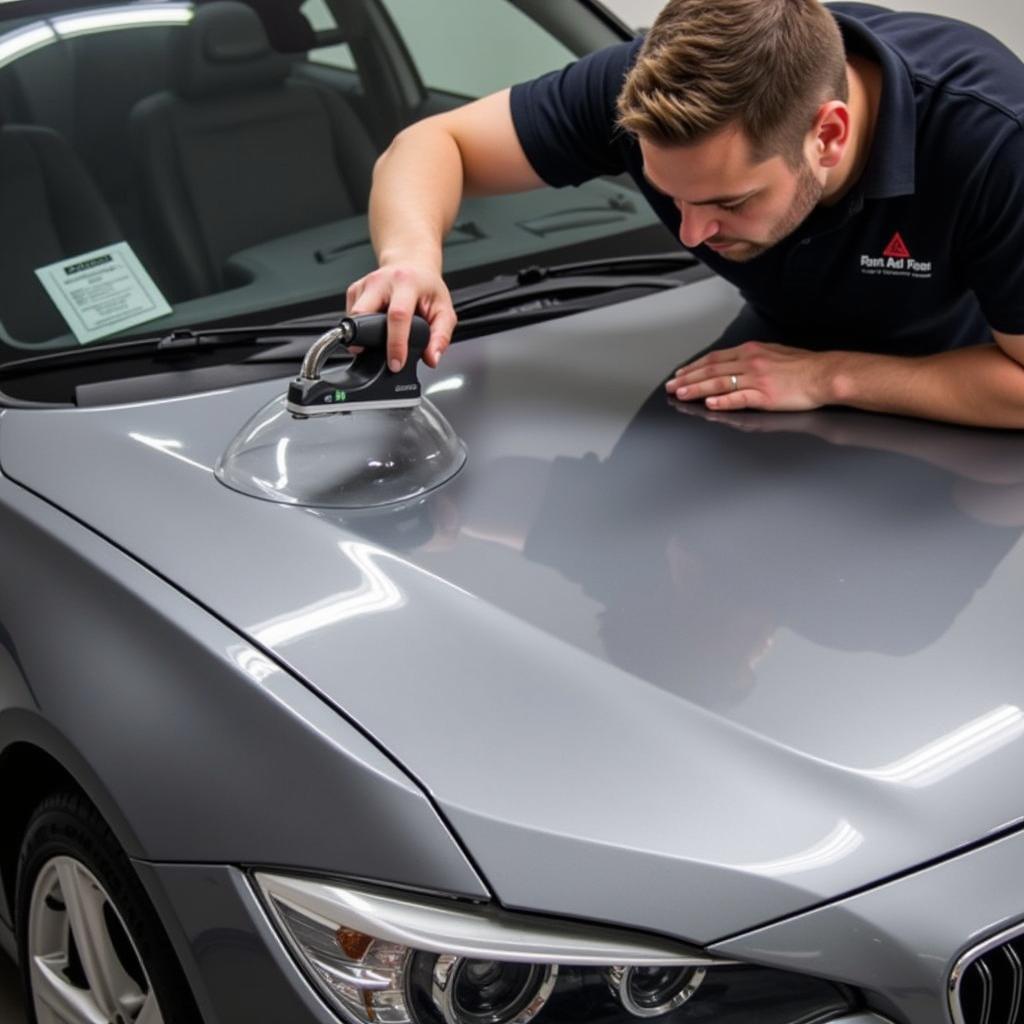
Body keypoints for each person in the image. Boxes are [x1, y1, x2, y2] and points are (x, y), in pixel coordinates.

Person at [346, 0, 1024, 428]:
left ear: (830, 136)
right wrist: (410, 259)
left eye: (730, 201)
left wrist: (829, 375)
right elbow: (433, 143)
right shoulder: (642, 85)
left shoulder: (994, 138)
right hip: (771, 362)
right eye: (671, 198)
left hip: (962, 390)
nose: (692, 233)